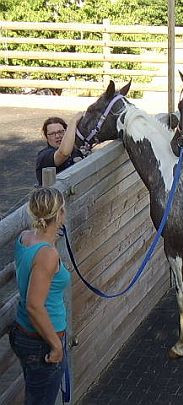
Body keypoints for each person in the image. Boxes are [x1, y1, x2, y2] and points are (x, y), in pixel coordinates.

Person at [9, 187, 70, 405]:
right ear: (60, 213)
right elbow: (34, 306)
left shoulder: (25, 238)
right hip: (42, 341)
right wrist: (55, 346)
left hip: (23, 334)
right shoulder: (47, 255)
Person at [36, 113, 84, 185]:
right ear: (46, 137)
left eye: (61, 132)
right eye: (52, 133)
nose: (58, 136)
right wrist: (73, 123)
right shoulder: (44, 156)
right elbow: (63, 153)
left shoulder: (75, 152)